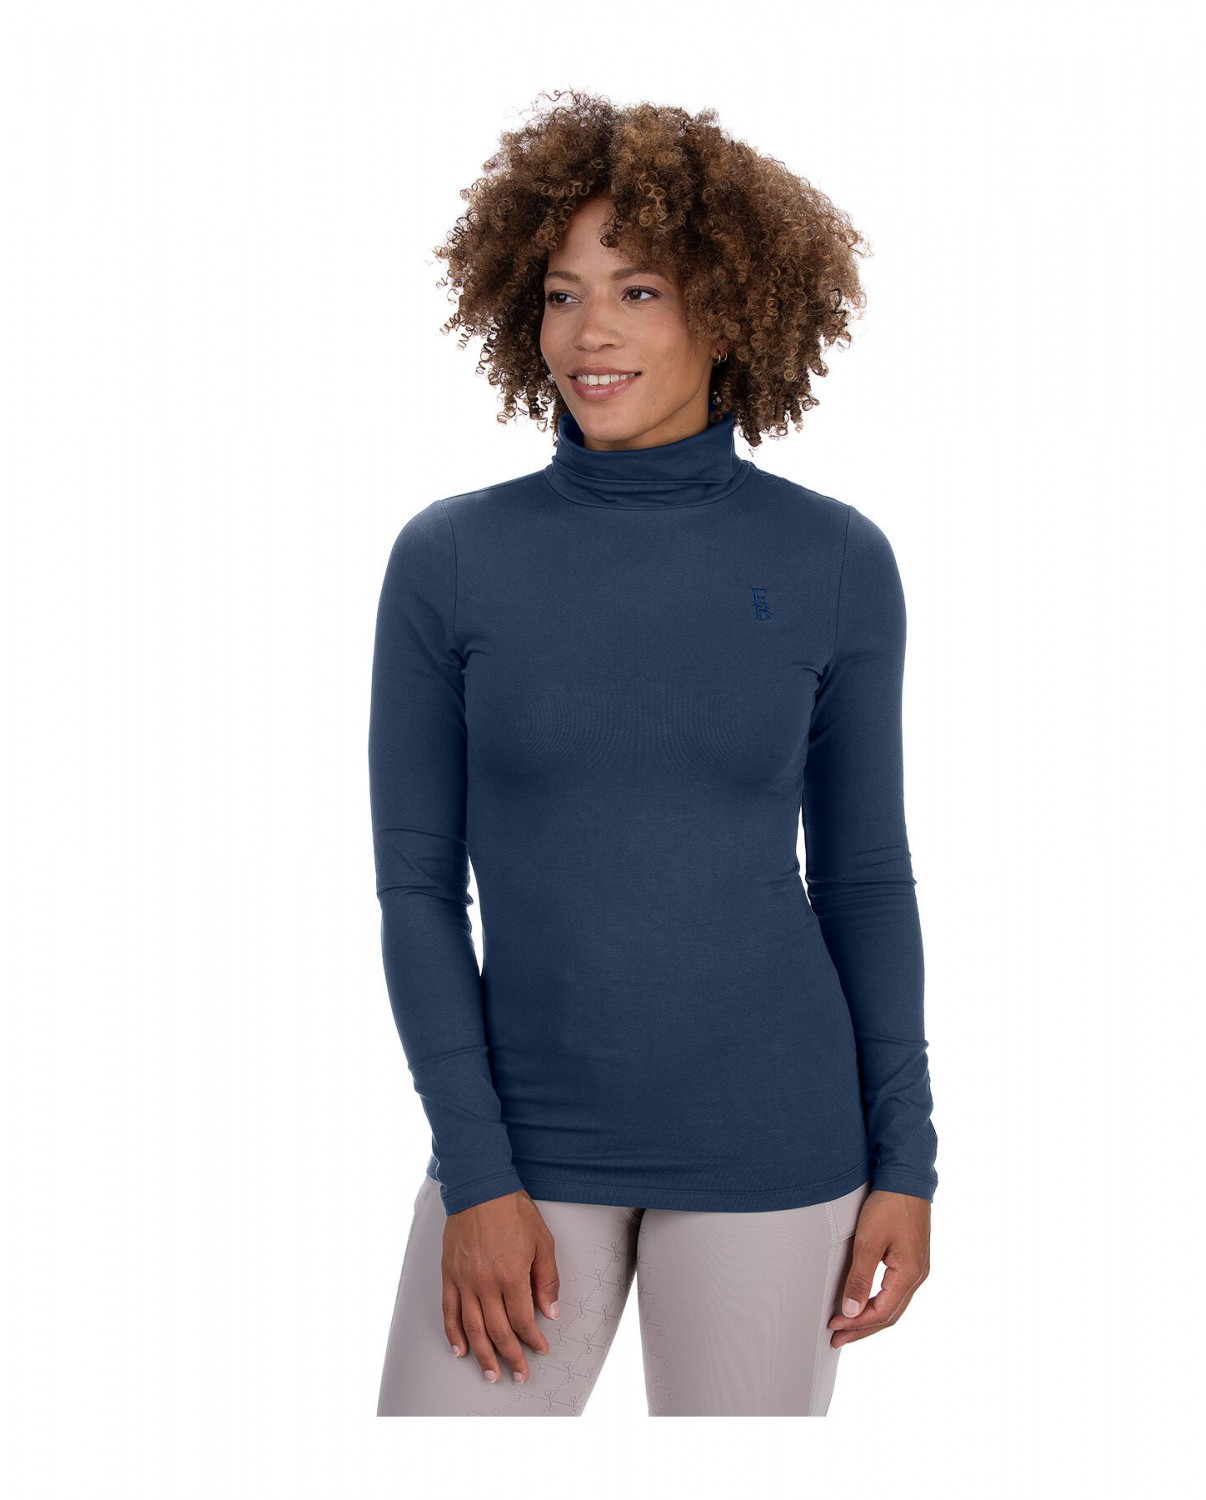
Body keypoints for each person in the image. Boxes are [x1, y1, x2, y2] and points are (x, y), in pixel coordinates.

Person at [370, 90, 938, 1417]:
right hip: (525, 1144)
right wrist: (475, 1172)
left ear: (727, 313)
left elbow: (865, 879)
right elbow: (417, 890)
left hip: (777, 1140)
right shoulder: (449, 560)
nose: (592, 333)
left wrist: (906, 1161)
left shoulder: (835, 560)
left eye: (639, 291)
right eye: (562, 295)